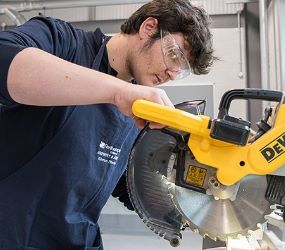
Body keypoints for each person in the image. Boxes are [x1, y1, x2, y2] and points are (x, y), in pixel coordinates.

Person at [0, 0, 215, 248]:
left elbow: (131, 186)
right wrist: (118, 91)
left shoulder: (138, 108)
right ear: (149, 27)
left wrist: (198, 204)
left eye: (182, 70)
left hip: (76, 240)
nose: (172, 73)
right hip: (13, 235)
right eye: (174, 54)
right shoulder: (62, 41)